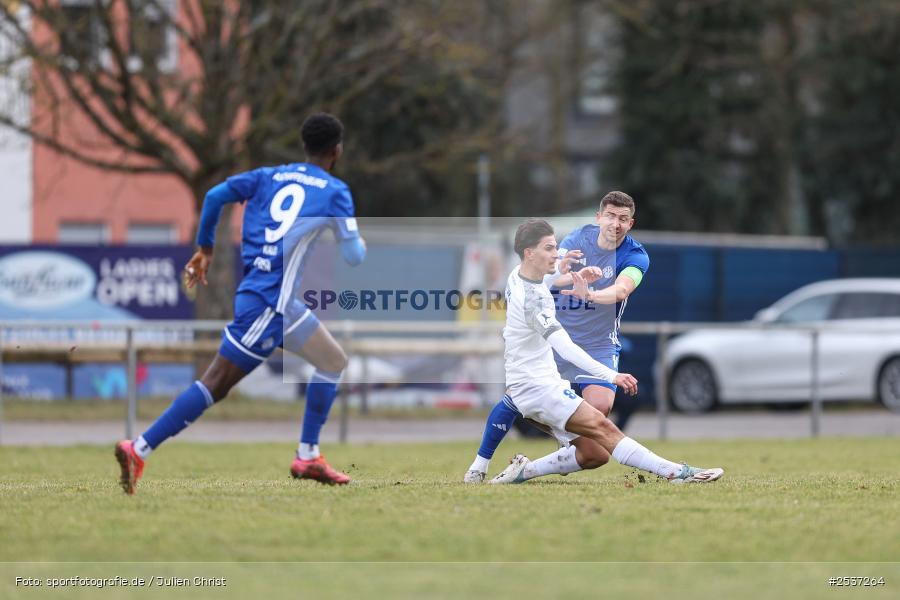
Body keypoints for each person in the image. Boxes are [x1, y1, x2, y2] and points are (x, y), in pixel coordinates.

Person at [115, 113, 365, 494]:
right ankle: (139, 447)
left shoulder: (269, 176)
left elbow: (215, 195)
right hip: (268, 307)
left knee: (332, 361)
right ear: (337, 151)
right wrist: (350, 235)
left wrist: (205, 248)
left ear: (304, 146)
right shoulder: (335, 191)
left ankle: (308, 454)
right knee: (215, 384)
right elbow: (354, 258)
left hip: (278, 304)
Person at [468, 218, 723, 485]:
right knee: (605, 428)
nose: (557, 253)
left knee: (595, 454)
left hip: (529, 386)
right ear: (529, 253)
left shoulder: (518, 276)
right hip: (540, 390)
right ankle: (676, 473)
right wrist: (611, 376)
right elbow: (566, 348)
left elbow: (542, 281)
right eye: (548, 248)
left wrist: (567, 275)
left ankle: (516, 471)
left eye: (556, 247)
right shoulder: (533, 301)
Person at [464, 191, 650, 483]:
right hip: (556, 337)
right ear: (598, 217)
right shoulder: (577, 239)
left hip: (599, 342)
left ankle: (530, 466)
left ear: (631, 224)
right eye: (611, 216)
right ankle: (482, 463)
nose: (616, 224)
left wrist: (590, 293)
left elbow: (623, 289)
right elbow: (550, 274)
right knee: (519, 397)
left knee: (599, 409)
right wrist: (566, 275)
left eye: (623, 219)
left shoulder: (636, 255)